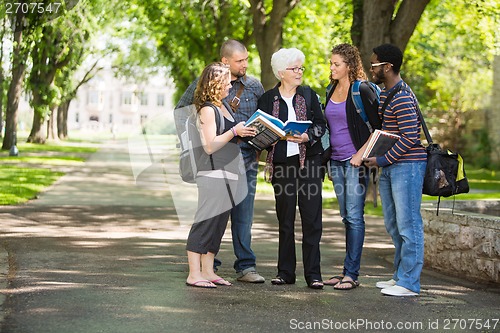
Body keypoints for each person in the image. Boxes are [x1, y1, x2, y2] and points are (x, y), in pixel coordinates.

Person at [176, 40, 266, 283]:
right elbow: (208, 143)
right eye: (226, 81)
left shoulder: (230, 100)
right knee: (206, 221)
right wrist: (234, 132)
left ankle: (209, 271)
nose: (230, 84)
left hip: (233, 168)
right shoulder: (208, 107)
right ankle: (195, 273)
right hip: (213, 170)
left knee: (220, 223)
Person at [256, 48, 326, 289]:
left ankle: (313, 275)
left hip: (310, 164)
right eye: (294, 68)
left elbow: (321, 124)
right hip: (283, 165)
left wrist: (307, 137)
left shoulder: (309, 95)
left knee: (312, 219)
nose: (299, 72)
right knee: (285, 220)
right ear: (280, 72)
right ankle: (285, 272)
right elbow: (259, 130)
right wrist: (273, 135)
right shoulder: (267, 99)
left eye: (300, 68)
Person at [361, 44, 427, 297]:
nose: (371, 68)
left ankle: (410, 283)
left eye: (375, 64)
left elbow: (411, 137)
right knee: (394, 224)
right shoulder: (389, 93)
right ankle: (400, 276)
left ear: (387, 67)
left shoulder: (401, 96)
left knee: (409, 225)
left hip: (407, 167)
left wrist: (382, 159)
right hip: (391, 165)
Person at [322, 43, 381, 290]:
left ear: (349, 65)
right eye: (331, 63)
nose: (332, 67)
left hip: (355, 162)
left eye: (337, 64)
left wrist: (360, 154)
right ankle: (347, 269)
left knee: (355, 217)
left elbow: (379, 128)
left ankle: (352, 274)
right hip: (335, 161)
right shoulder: (329, 90)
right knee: (346, 216)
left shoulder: (362, 90)